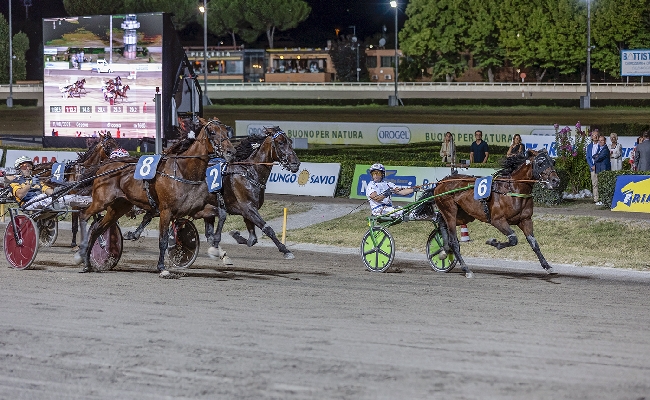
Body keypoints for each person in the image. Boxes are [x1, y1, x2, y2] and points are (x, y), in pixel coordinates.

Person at [9, 156, 91, 210]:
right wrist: (29, 184)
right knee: (42, 197)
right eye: (24, 166)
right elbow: (20, 194)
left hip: (45, 201)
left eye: (29, 166)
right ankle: (54, 204)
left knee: (70, 197)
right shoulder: (14, 182)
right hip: (27, 204)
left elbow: (48, 191)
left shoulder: (37, 180)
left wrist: (58, 192)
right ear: (18, 169)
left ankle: (91, 201)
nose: (27, 168)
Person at [586, 129, 600, 204]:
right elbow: (588, 157)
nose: (596, 137)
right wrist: (591, 165)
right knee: (594, 183)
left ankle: (602, 198)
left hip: (600, 167)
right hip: (593, 168)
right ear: (591, 137)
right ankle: (596, 199)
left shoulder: (601, 146)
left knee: (600, 183)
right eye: (594, 135)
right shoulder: (589, 146)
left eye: (597, 135)